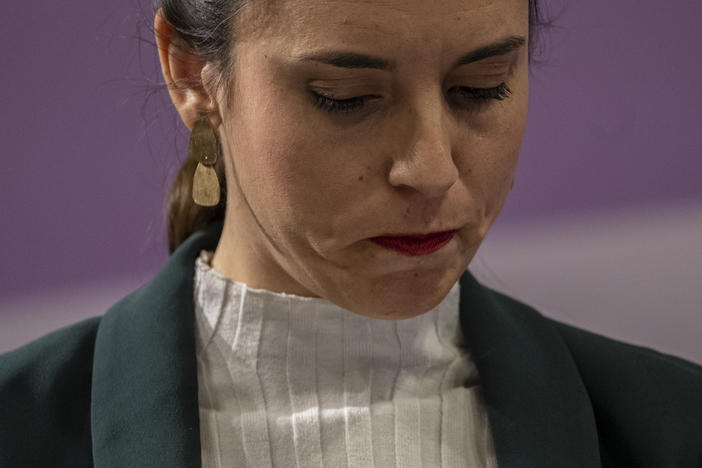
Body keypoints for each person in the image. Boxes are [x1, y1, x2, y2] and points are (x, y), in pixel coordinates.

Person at [2, 0, 701, 466]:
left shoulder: (674, 427)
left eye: (481, 86)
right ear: (191, 74)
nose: (430, 170)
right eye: (346, 98)